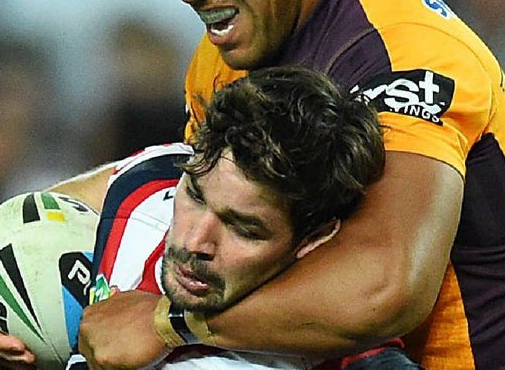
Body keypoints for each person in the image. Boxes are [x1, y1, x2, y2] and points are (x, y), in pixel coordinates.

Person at [0, 0, 505, 368]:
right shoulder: (223, 58)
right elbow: (174, 183)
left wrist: (168, 327)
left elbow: (386, 286)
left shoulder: (401, 51)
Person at [70, 66, 417, 369]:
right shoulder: (141, 185)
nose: (195, 243)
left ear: (314, 238)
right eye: (195, 195)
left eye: (244, 229)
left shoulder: (340, 354)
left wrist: (166, 325)